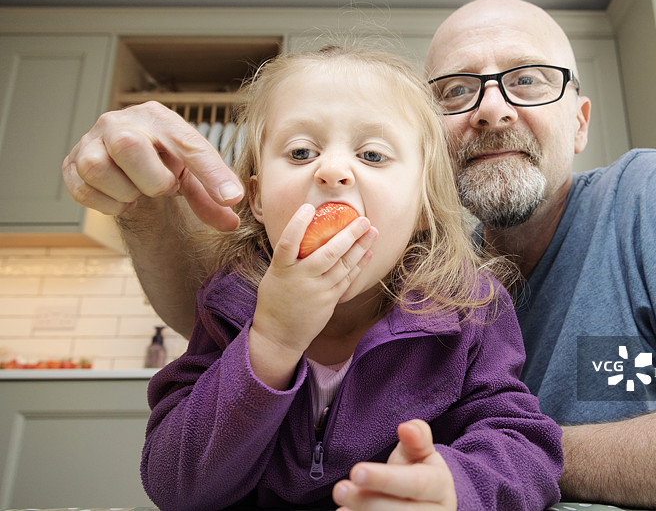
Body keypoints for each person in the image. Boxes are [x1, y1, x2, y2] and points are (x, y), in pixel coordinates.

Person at [63, 0, 656, 510]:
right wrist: (148, 210)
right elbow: (204, 366)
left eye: (528, 79)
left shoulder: (630, 209)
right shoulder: (429, 261)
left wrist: (470, 473)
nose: (491, 107)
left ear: (578, 122)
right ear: (436, 158)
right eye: (454, 90)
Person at [139, 45, 563, 511]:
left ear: (422, 205)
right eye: (301, 152)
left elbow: (526, 447)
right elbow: (173, 483)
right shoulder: (229, 302)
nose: (334, 171)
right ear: (257, 200)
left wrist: (457, 487)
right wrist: (272, 341)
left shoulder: (469, 308)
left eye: (373, 155)